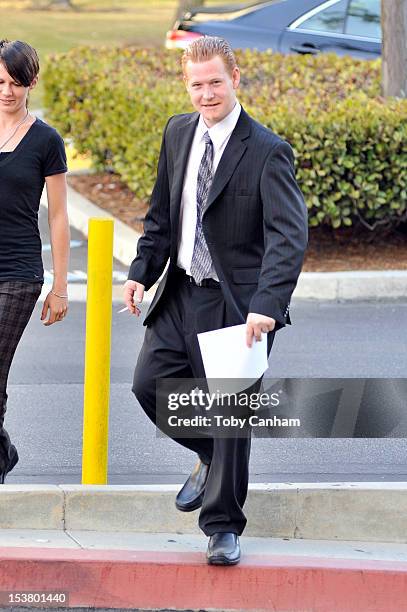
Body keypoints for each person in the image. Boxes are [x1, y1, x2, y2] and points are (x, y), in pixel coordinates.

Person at [123, 36, 308, 565]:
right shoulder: (178, 133)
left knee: (231, 417)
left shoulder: (268, 150)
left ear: (235, 80)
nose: (206, 94)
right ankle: (207, 457)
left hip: (237, 305)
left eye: (215, 83)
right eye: (197, 84)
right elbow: (162, 216)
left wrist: (266, 304)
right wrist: (140, 274)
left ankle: (223, 527)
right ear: (188, 84)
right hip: (180, 291)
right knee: (147, 385)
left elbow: (287, 236)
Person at [0, 40, 69, 483]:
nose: (7, 91)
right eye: (1, 82)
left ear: (31, 82)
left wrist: (60, 287)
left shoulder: (45, 139)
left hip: (18, 271)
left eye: (16, 83)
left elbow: (60, 215)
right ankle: (3, 451)